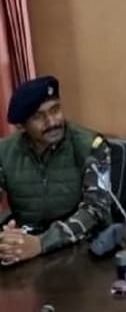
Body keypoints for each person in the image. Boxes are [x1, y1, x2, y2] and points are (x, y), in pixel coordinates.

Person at [0, 76, 110, 265]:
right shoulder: (4, 153)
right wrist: (6, 239)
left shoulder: (91, 146)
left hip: (84, 250)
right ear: (21, 126)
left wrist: (42, 243)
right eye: (38, 116)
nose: (52, 122)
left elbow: (95, 210)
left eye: (55, 110)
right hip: (25, 249)